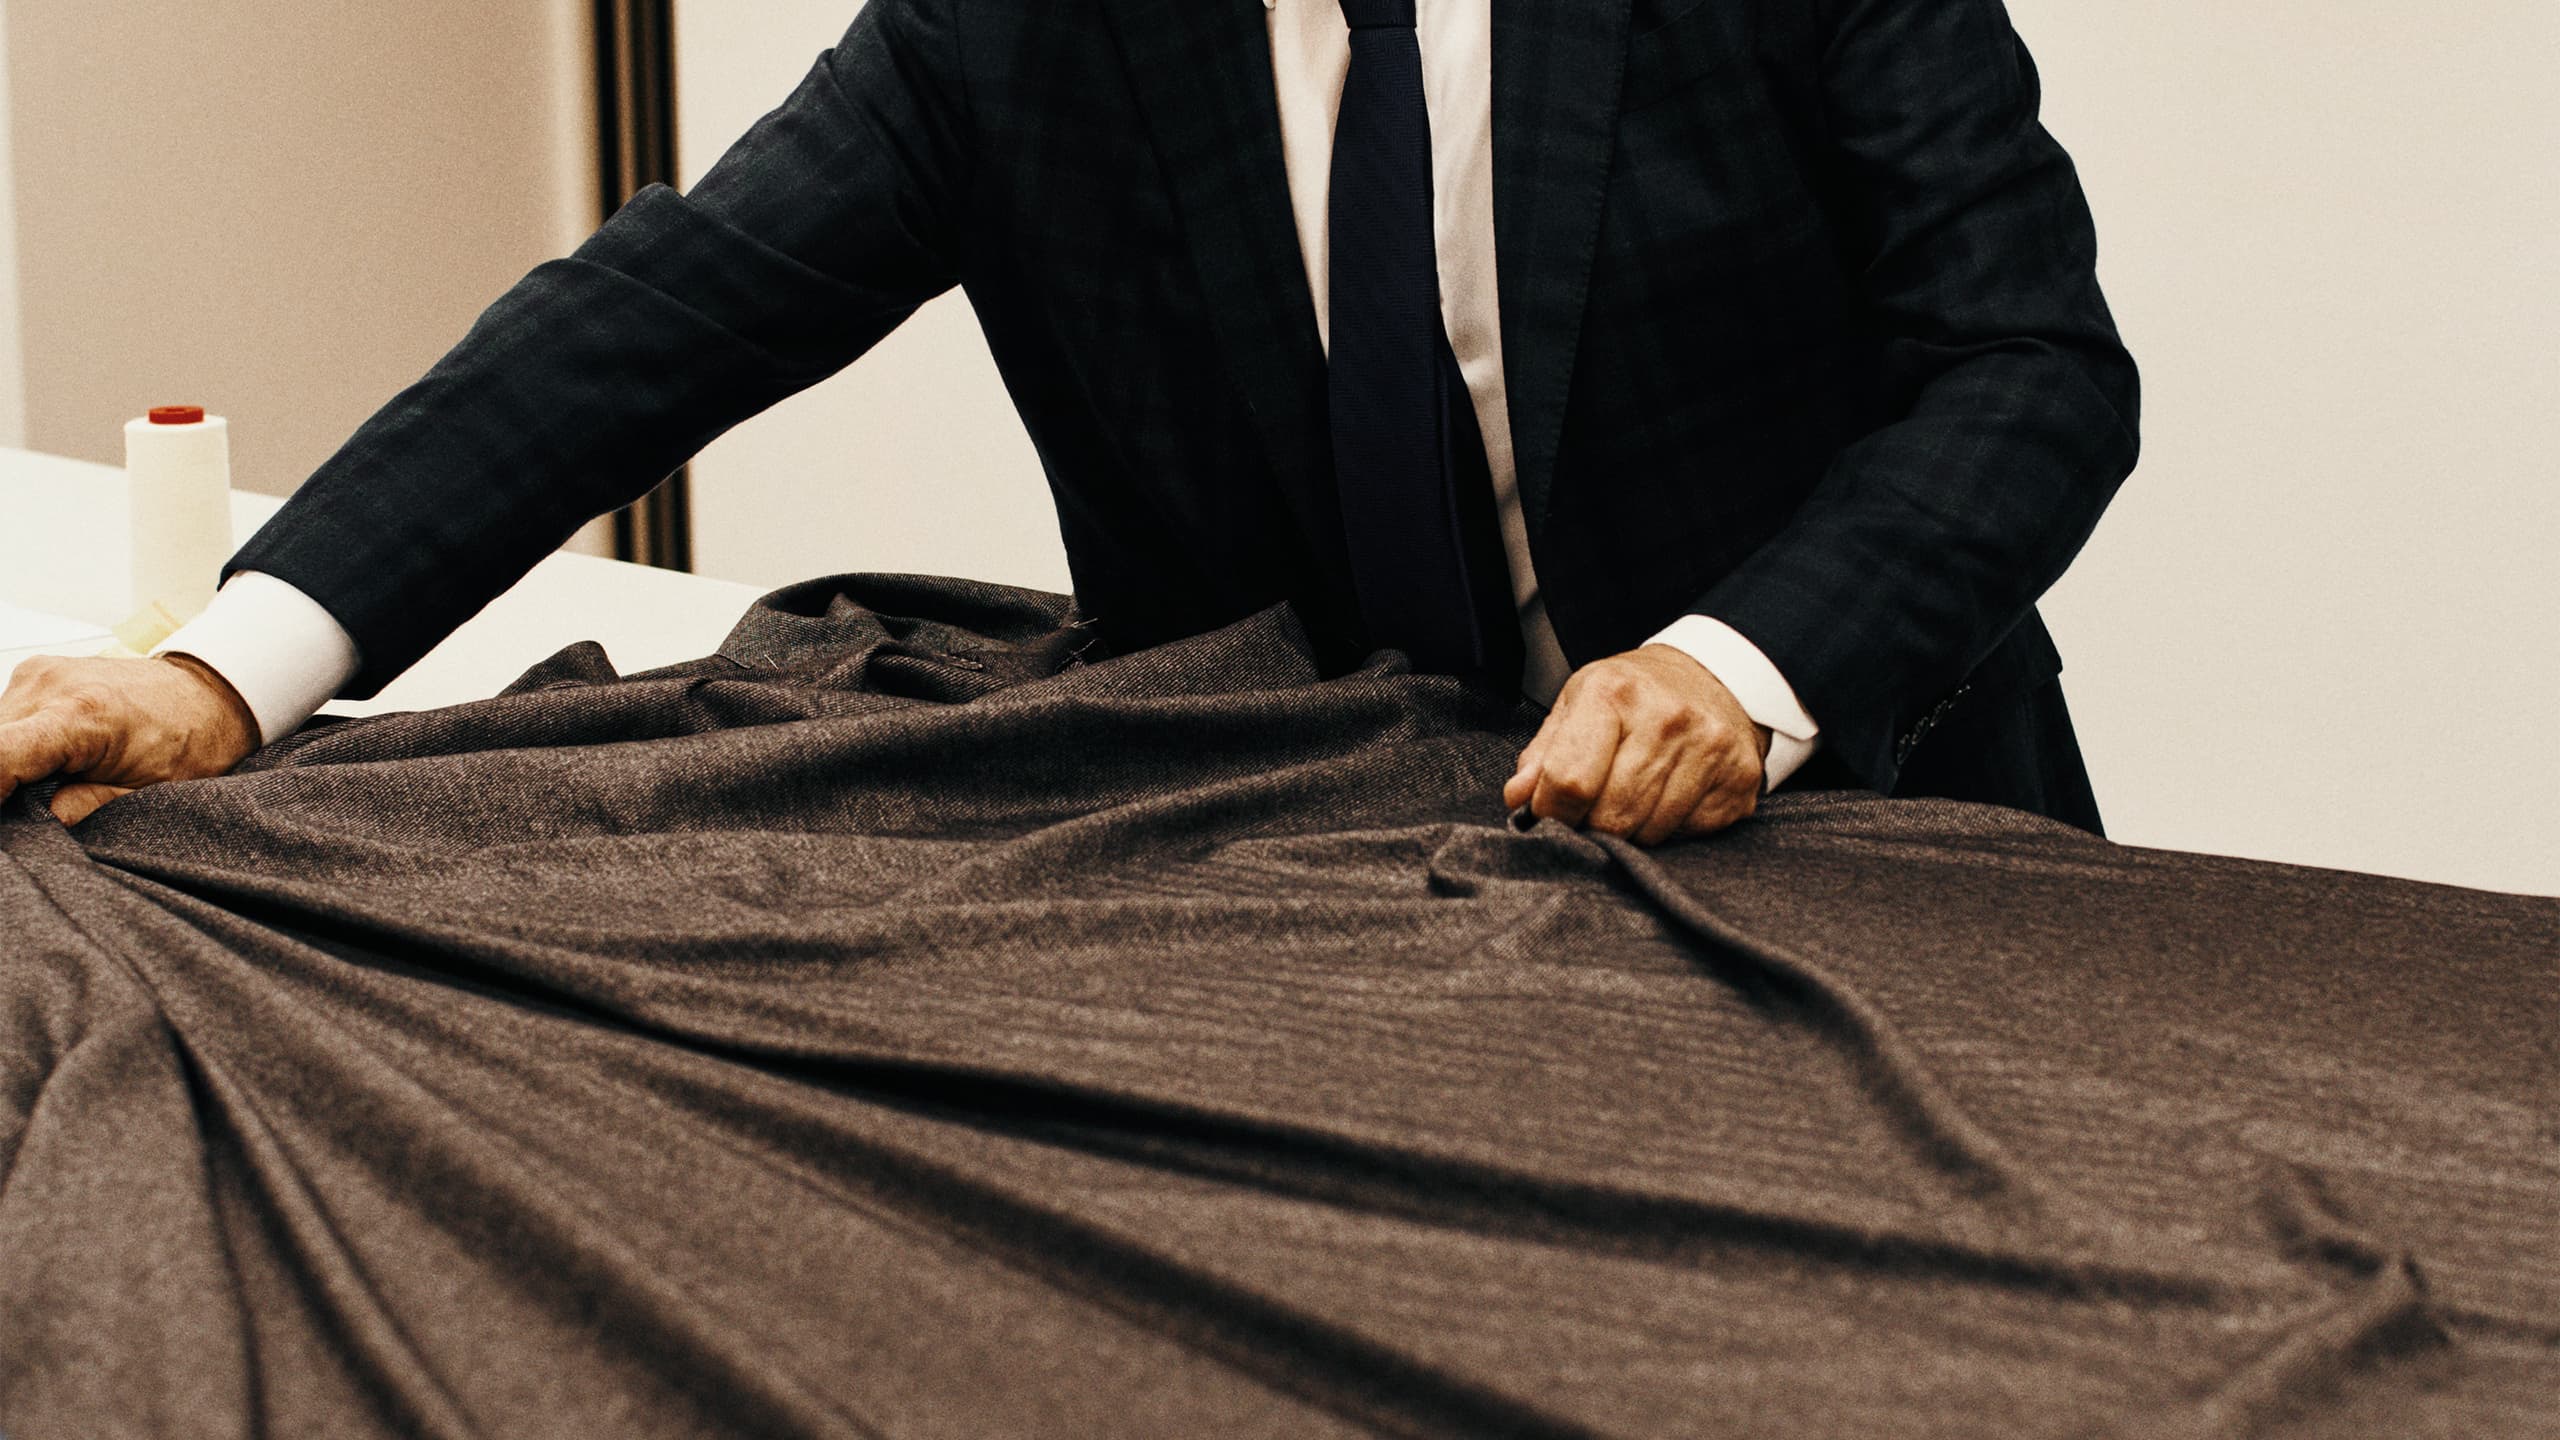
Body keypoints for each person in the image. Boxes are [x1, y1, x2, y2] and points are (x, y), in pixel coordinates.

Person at [0, 0, 2137, 845]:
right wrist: (220, 675)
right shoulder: (1014, 22)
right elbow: (648, 319)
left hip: (1853, 806)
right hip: (1314, 876)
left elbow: (2028, 366)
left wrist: (1731, 668)